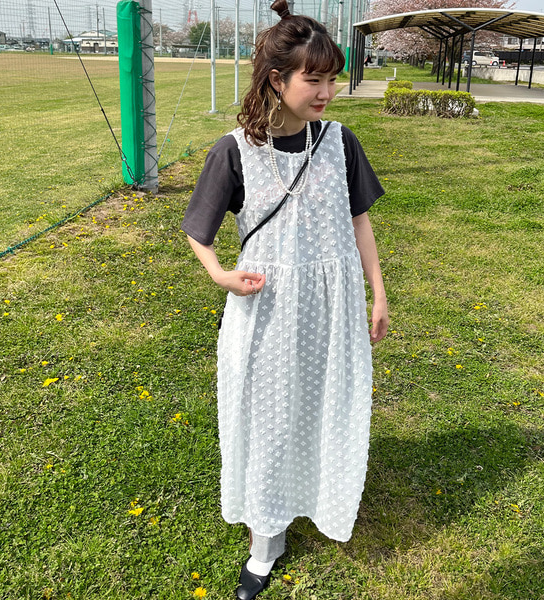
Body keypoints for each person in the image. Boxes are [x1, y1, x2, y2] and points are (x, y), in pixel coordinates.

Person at [181, 1, 389, 597]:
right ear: (277, 79)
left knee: (327, 405)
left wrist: (378, 293)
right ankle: (265, 541)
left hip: (331, 307)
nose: (326, 92)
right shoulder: (233, 151)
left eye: (332, 79)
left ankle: (322, 499)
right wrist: (221, 275)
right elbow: (198, 232)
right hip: (267, 309)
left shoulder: (341, 142)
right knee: (268, 417)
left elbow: (359, 221)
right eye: (313, 79)